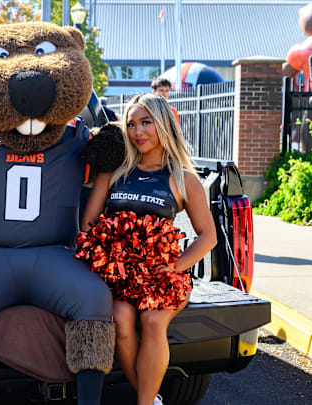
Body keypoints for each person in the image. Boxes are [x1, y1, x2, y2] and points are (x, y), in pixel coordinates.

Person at [80, 93, 216, 405]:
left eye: (146, 123)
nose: (138, 131)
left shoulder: (183, 178)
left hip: (161, 274)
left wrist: (177, 266)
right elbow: (89, 223)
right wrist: (109, 255)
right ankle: (150, 397)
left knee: (153, 321)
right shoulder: (114, 172)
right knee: (121, 320)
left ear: (164, 125)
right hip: (120, 274)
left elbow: (208, 236)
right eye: (131, 124)